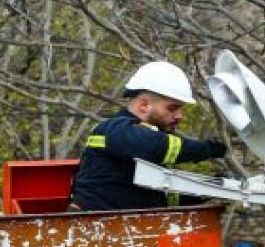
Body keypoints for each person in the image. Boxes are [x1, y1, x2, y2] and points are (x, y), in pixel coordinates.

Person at [71, 60, 227, 211]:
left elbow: (154, 197)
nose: (180, 116)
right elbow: (156, 147)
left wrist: (205, 189)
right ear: (144, 105)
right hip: (97, 225)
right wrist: (209, 149)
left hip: (125, 226)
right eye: (172, 108)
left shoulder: (139, 140)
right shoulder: (115, 130)